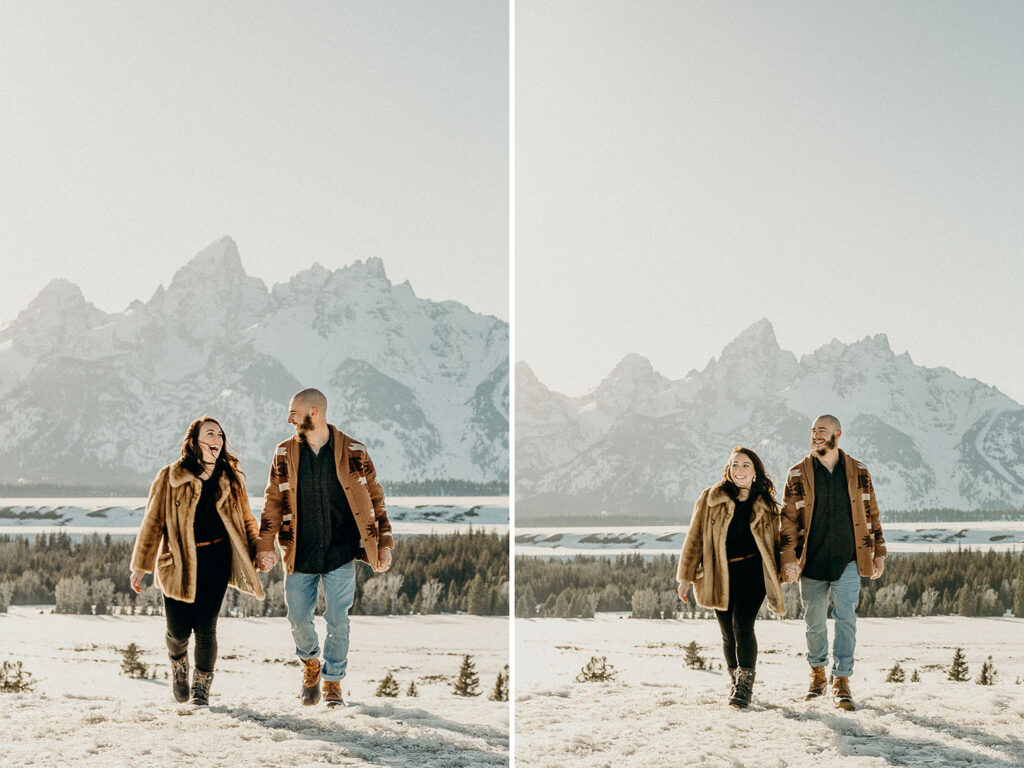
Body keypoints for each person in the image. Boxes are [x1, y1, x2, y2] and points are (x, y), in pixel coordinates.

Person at [256, 388, 394, 708]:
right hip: (299, 552)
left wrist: (383, 543)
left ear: (314, 412)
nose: (289, 418)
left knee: (338, 621)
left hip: (340, 551)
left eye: (294, 412)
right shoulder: (283, 453)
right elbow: (273, 502)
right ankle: (311, 664)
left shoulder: (355, 450)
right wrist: (265, 544)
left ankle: (333, 682)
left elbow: (375, 500)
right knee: (298, 619)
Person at [129, 416, 264, 705]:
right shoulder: (170, 476)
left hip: (216, 559)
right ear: (194, 442)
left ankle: (201, 690)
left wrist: (258, 549)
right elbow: (152, 522)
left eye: (220, 435)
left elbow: (247, 520)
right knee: (177, 631)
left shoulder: (230, 479)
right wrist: (141, 565)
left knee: (206, 628)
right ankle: (179, 666)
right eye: (210, 433)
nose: (217, 439)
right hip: (177, 562)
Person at [780, 414, 887, 711]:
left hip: (848, 560)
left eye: (822, 430)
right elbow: (787, 521)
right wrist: (788, 559)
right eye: (813, 431)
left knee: (846, 621)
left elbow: (872, 514)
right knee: (813, 622)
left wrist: (879, 552)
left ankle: (842, 680)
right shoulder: (797, 473)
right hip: (811, 561)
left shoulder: (859, 471)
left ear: (838, 434)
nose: (816, 435)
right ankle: (817, 674)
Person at [676, 446, 785, 708]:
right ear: (728, 469)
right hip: (719, 573)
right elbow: (695, 538)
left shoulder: (766, 504)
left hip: (754, 572)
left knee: (742, 625)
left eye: (745, 465)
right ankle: (735, 680)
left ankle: (744, 687)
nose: (739, 470)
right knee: (727, 633)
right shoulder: (711, 498)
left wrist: (784, 568)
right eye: (735, 465)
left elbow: (777, 541)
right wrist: (685, 577)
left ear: (755, 471)